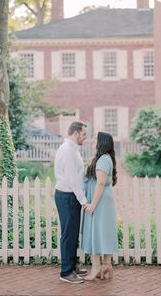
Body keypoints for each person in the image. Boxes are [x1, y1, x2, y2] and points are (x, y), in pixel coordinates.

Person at [81, 131, 118, 281]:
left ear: (101, 143)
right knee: (104, 232)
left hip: (99, 202)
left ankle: (96, 267)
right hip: (103, 201)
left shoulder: (102, 159)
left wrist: (92, 205)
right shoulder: (106, 158)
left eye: (95, 140)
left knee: (95, 232)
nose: (92, 142)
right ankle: (106, 265)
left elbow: (101, 183)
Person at [54, 121, 88, 284]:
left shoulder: (73, 150)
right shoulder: (68, 151)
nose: (85, 138)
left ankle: (72, 266)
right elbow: (73, 179)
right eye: (83, 134)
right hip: (67, 196)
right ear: (75, 134)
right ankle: (66, 272)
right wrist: (83, 200)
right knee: (68, 234)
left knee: (73, 233)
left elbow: (78, 175)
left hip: (70, 196)